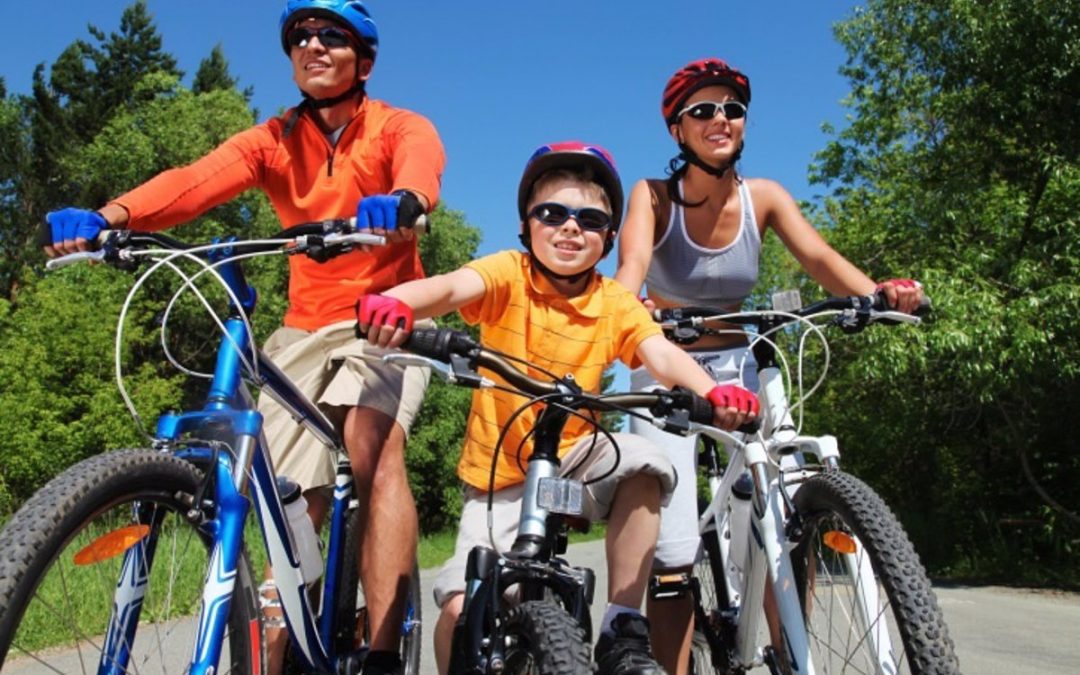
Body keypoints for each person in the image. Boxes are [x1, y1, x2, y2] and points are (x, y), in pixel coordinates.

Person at [42, 2, 445, 673]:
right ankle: (277, 644)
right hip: (304, 328)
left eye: (332, 36)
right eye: (300, 36)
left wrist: (404, 201)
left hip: (386, 311)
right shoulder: (273, 139)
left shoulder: (398, 126)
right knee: (284, 489)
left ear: (363, 61)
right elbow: (196, 181)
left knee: (370, 444)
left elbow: (420, 163)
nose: (312, 45)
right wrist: (111, 217)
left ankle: (380, 649)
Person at [357, 141, 759, 675]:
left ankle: (623, 625)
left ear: (609, 238)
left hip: (575, 453)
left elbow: (657, 352)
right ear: (527, 225)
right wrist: (398, 302)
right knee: (459, 607)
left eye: (590, 220)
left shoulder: (613, 301)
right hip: (500, 477)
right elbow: (452, 286)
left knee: (647, 464)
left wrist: (710, 392)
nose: (571, 228)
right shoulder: (508, 273)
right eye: (553, 214)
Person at [614, 57, 924, 675]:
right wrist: (624, 310)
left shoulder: (767, 198)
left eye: (732, 109)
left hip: (746, 363)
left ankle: (788, 654)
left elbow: (819, 258)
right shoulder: (653, 197)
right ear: (678, 130)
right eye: (702, 110)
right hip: (667, 367)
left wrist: (879, 295)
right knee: (673, 548)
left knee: (782, 506)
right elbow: (628, 272)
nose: (720, 119)